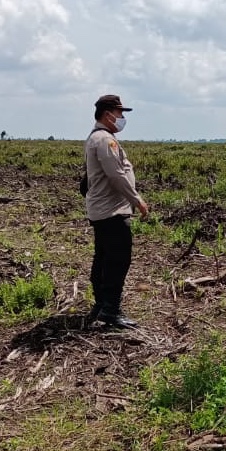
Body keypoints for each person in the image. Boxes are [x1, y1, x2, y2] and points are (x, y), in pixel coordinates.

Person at [84, 94, 149, 329]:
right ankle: (110, 311)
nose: (121, 118)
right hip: (112, 211)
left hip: (103, 210)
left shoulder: (99, 137)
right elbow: (116, 175)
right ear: (107, 113)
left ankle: (101, 304)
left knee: (103, 258)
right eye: (119, 113)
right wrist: (137, 199)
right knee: (117, 261)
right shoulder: (104, 140)